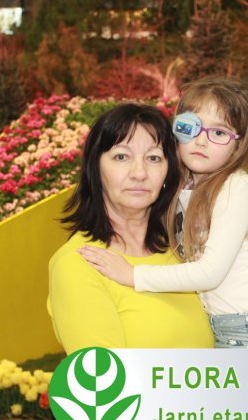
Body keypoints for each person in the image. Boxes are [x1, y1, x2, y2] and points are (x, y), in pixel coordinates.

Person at [79, 77, 248, 348]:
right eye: (190, 127)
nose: (201, 141)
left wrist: (133, 275)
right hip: (220, 327)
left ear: (238, 145)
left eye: (219, 133)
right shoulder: (183, 187)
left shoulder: (234, 187)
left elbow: (210, 273)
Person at [47, 103, 214, 353]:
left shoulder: (181, 253)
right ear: (95, 169)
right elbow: (102, 376)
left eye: (153, 158)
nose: (139, 173)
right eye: (121, 157)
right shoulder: (78, 264)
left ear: (168, 172)